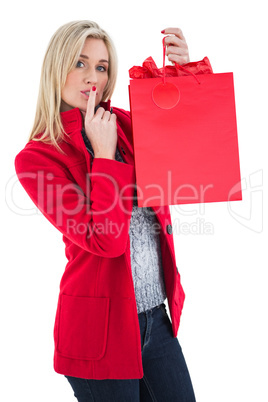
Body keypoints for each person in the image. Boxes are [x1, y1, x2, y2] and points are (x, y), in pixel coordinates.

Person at [15, 20, 196, 401]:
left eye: (101, 66)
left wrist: (185, 79)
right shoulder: (37, 159)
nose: (92, 76)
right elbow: (107, 241)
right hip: (99, 332)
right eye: (79, 63)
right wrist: (102, 154)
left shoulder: (126, 125)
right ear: (56, 68)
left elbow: (188, 159)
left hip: (156, 322)